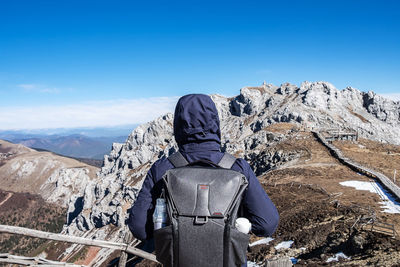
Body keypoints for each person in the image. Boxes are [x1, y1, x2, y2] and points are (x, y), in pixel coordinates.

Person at [128, 94, 279, 265]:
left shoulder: (163, 168)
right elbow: (268, 224)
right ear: (215, 123)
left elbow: (139, 228)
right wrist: (238, 227)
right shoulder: (237, 168)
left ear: (178, 125)